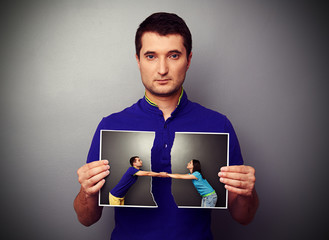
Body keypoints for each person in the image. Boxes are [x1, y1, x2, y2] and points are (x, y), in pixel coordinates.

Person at [74, 12, 259, 239]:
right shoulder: (111, 126)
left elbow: (244, 216)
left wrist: (248, 192)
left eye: (173, 55)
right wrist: (86, 191)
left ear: (188, 60)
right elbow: (86, 218)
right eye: (151, 56)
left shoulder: (218, 124)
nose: (162, 69)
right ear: (138, 59)